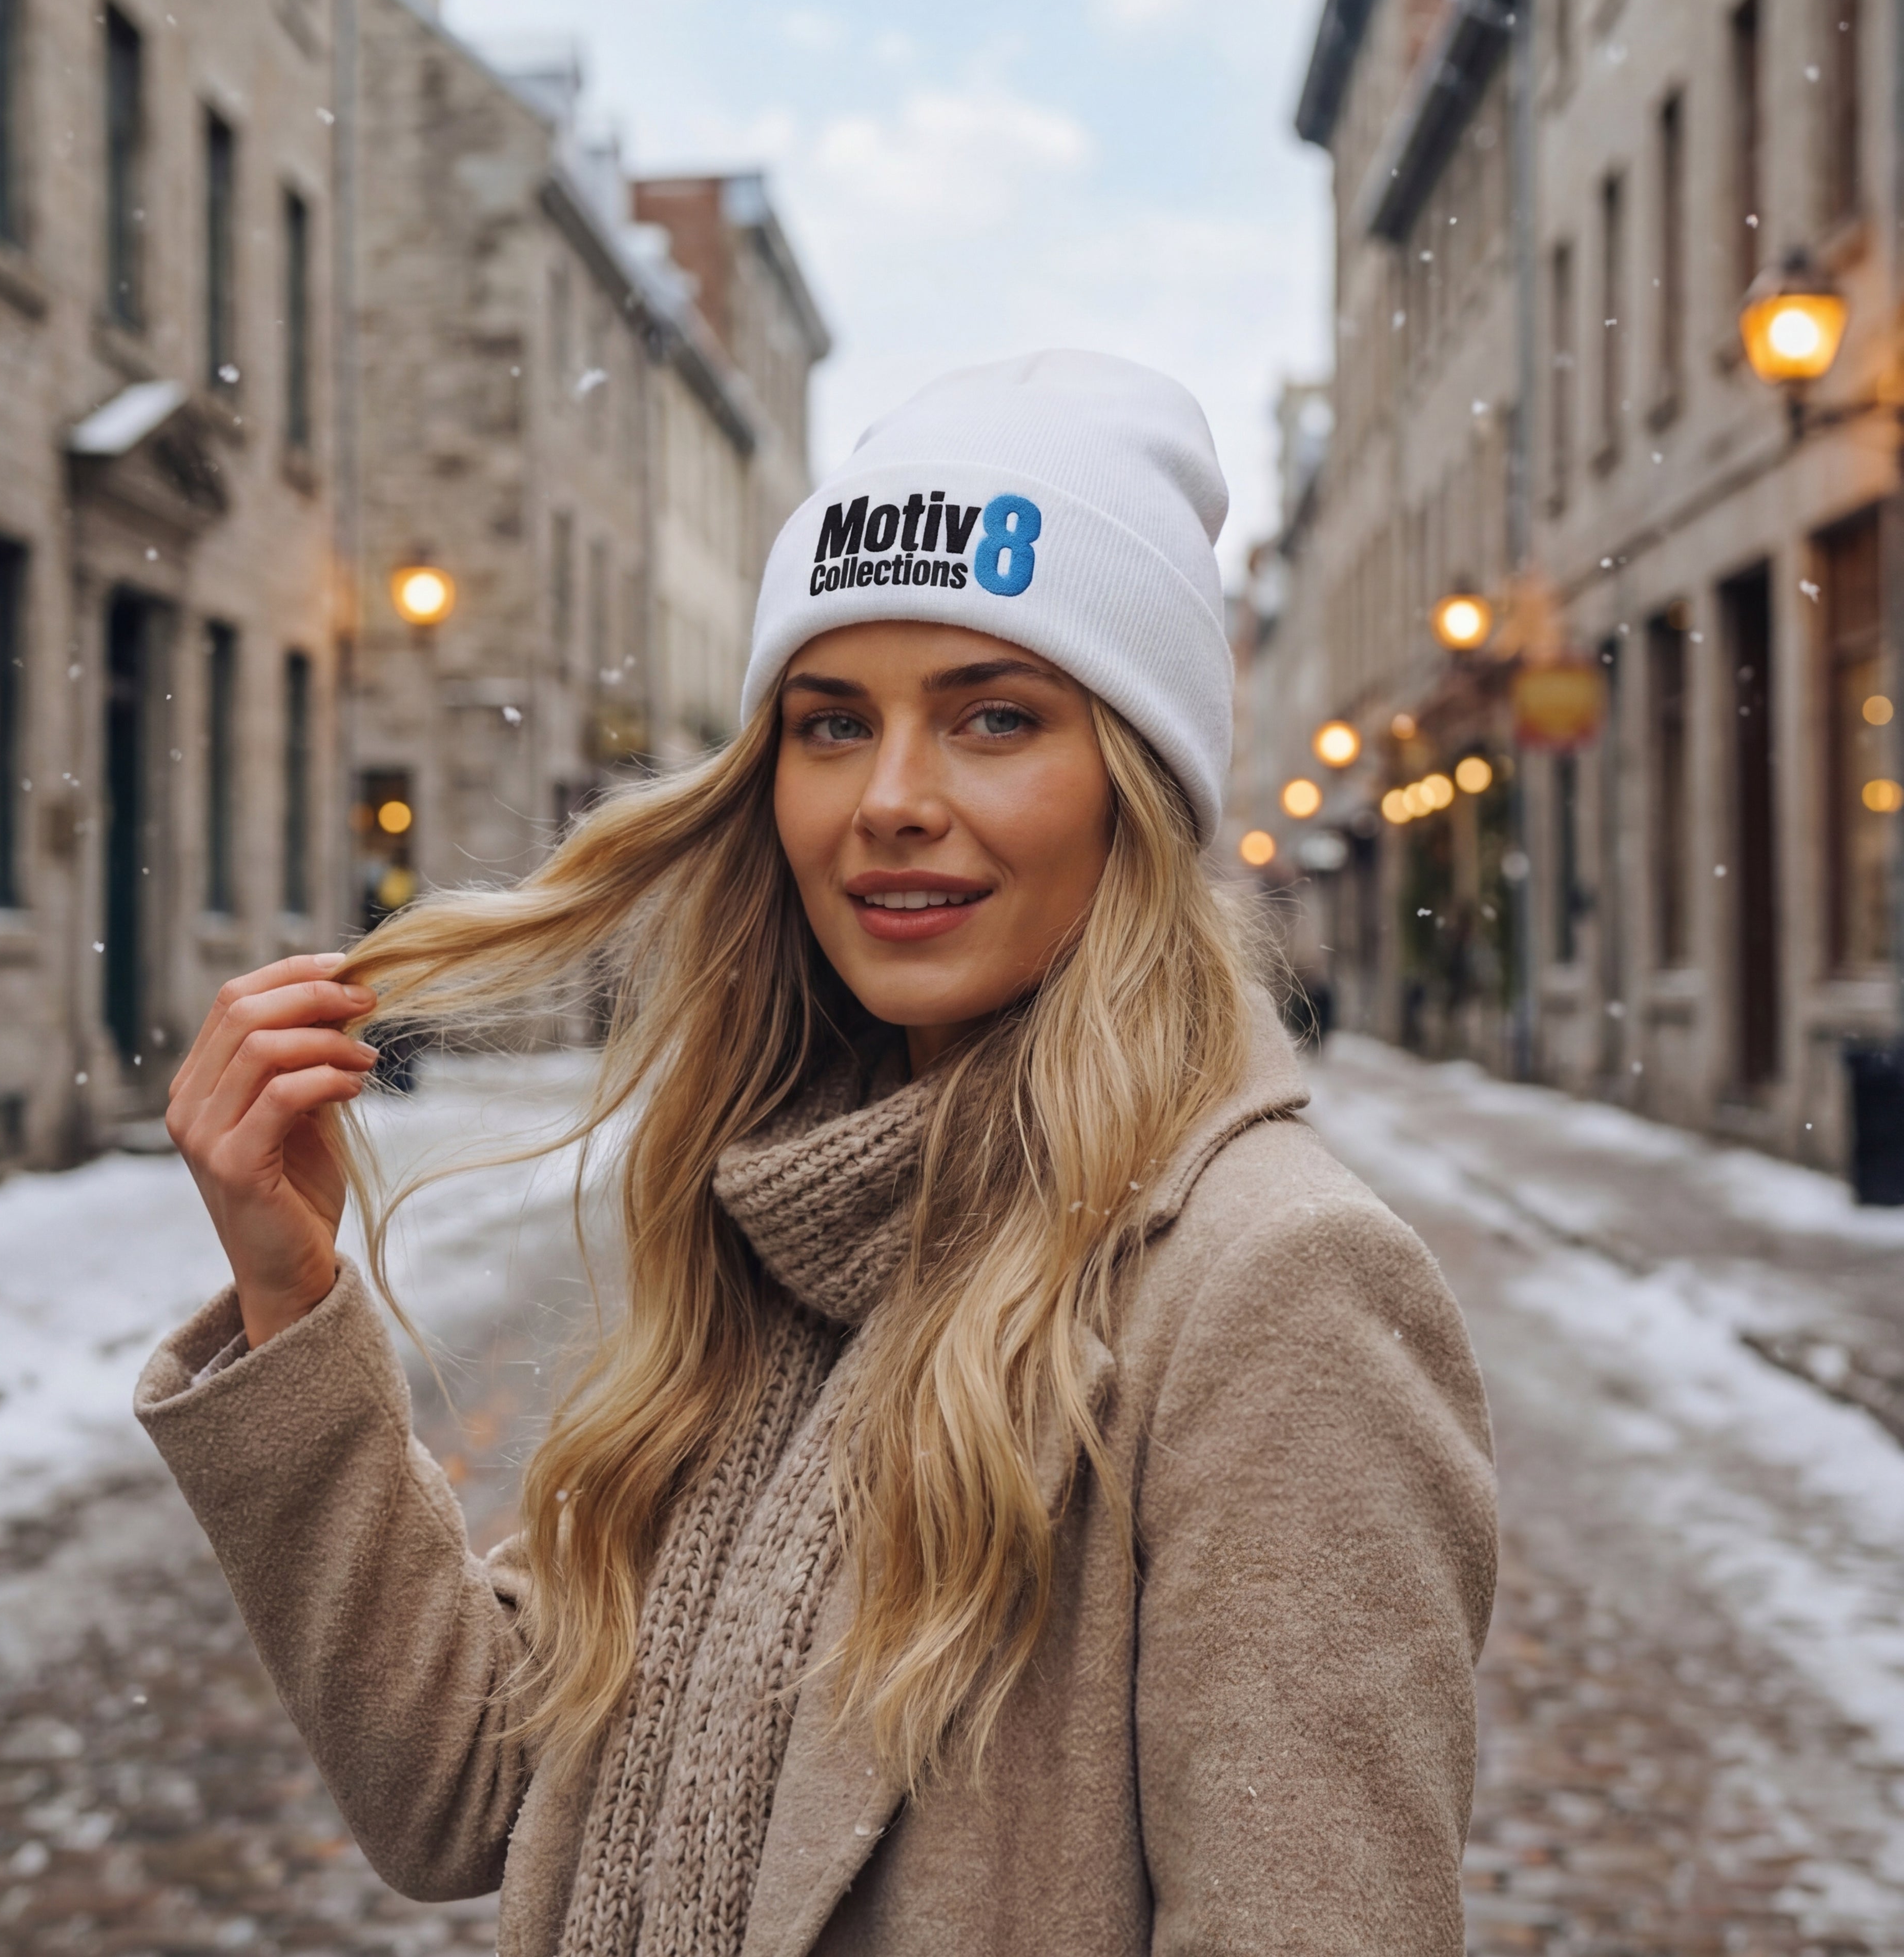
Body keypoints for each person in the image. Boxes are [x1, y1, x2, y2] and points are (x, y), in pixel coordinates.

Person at [139, 352, 1497, 1957]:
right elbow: (463, 1788)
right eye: (833, 724)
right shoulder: (788, 1235)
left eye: (997, 718)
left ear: (1137, 790)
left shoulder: (1271, 1290)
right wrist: (294, 1290)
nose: (893, 801)